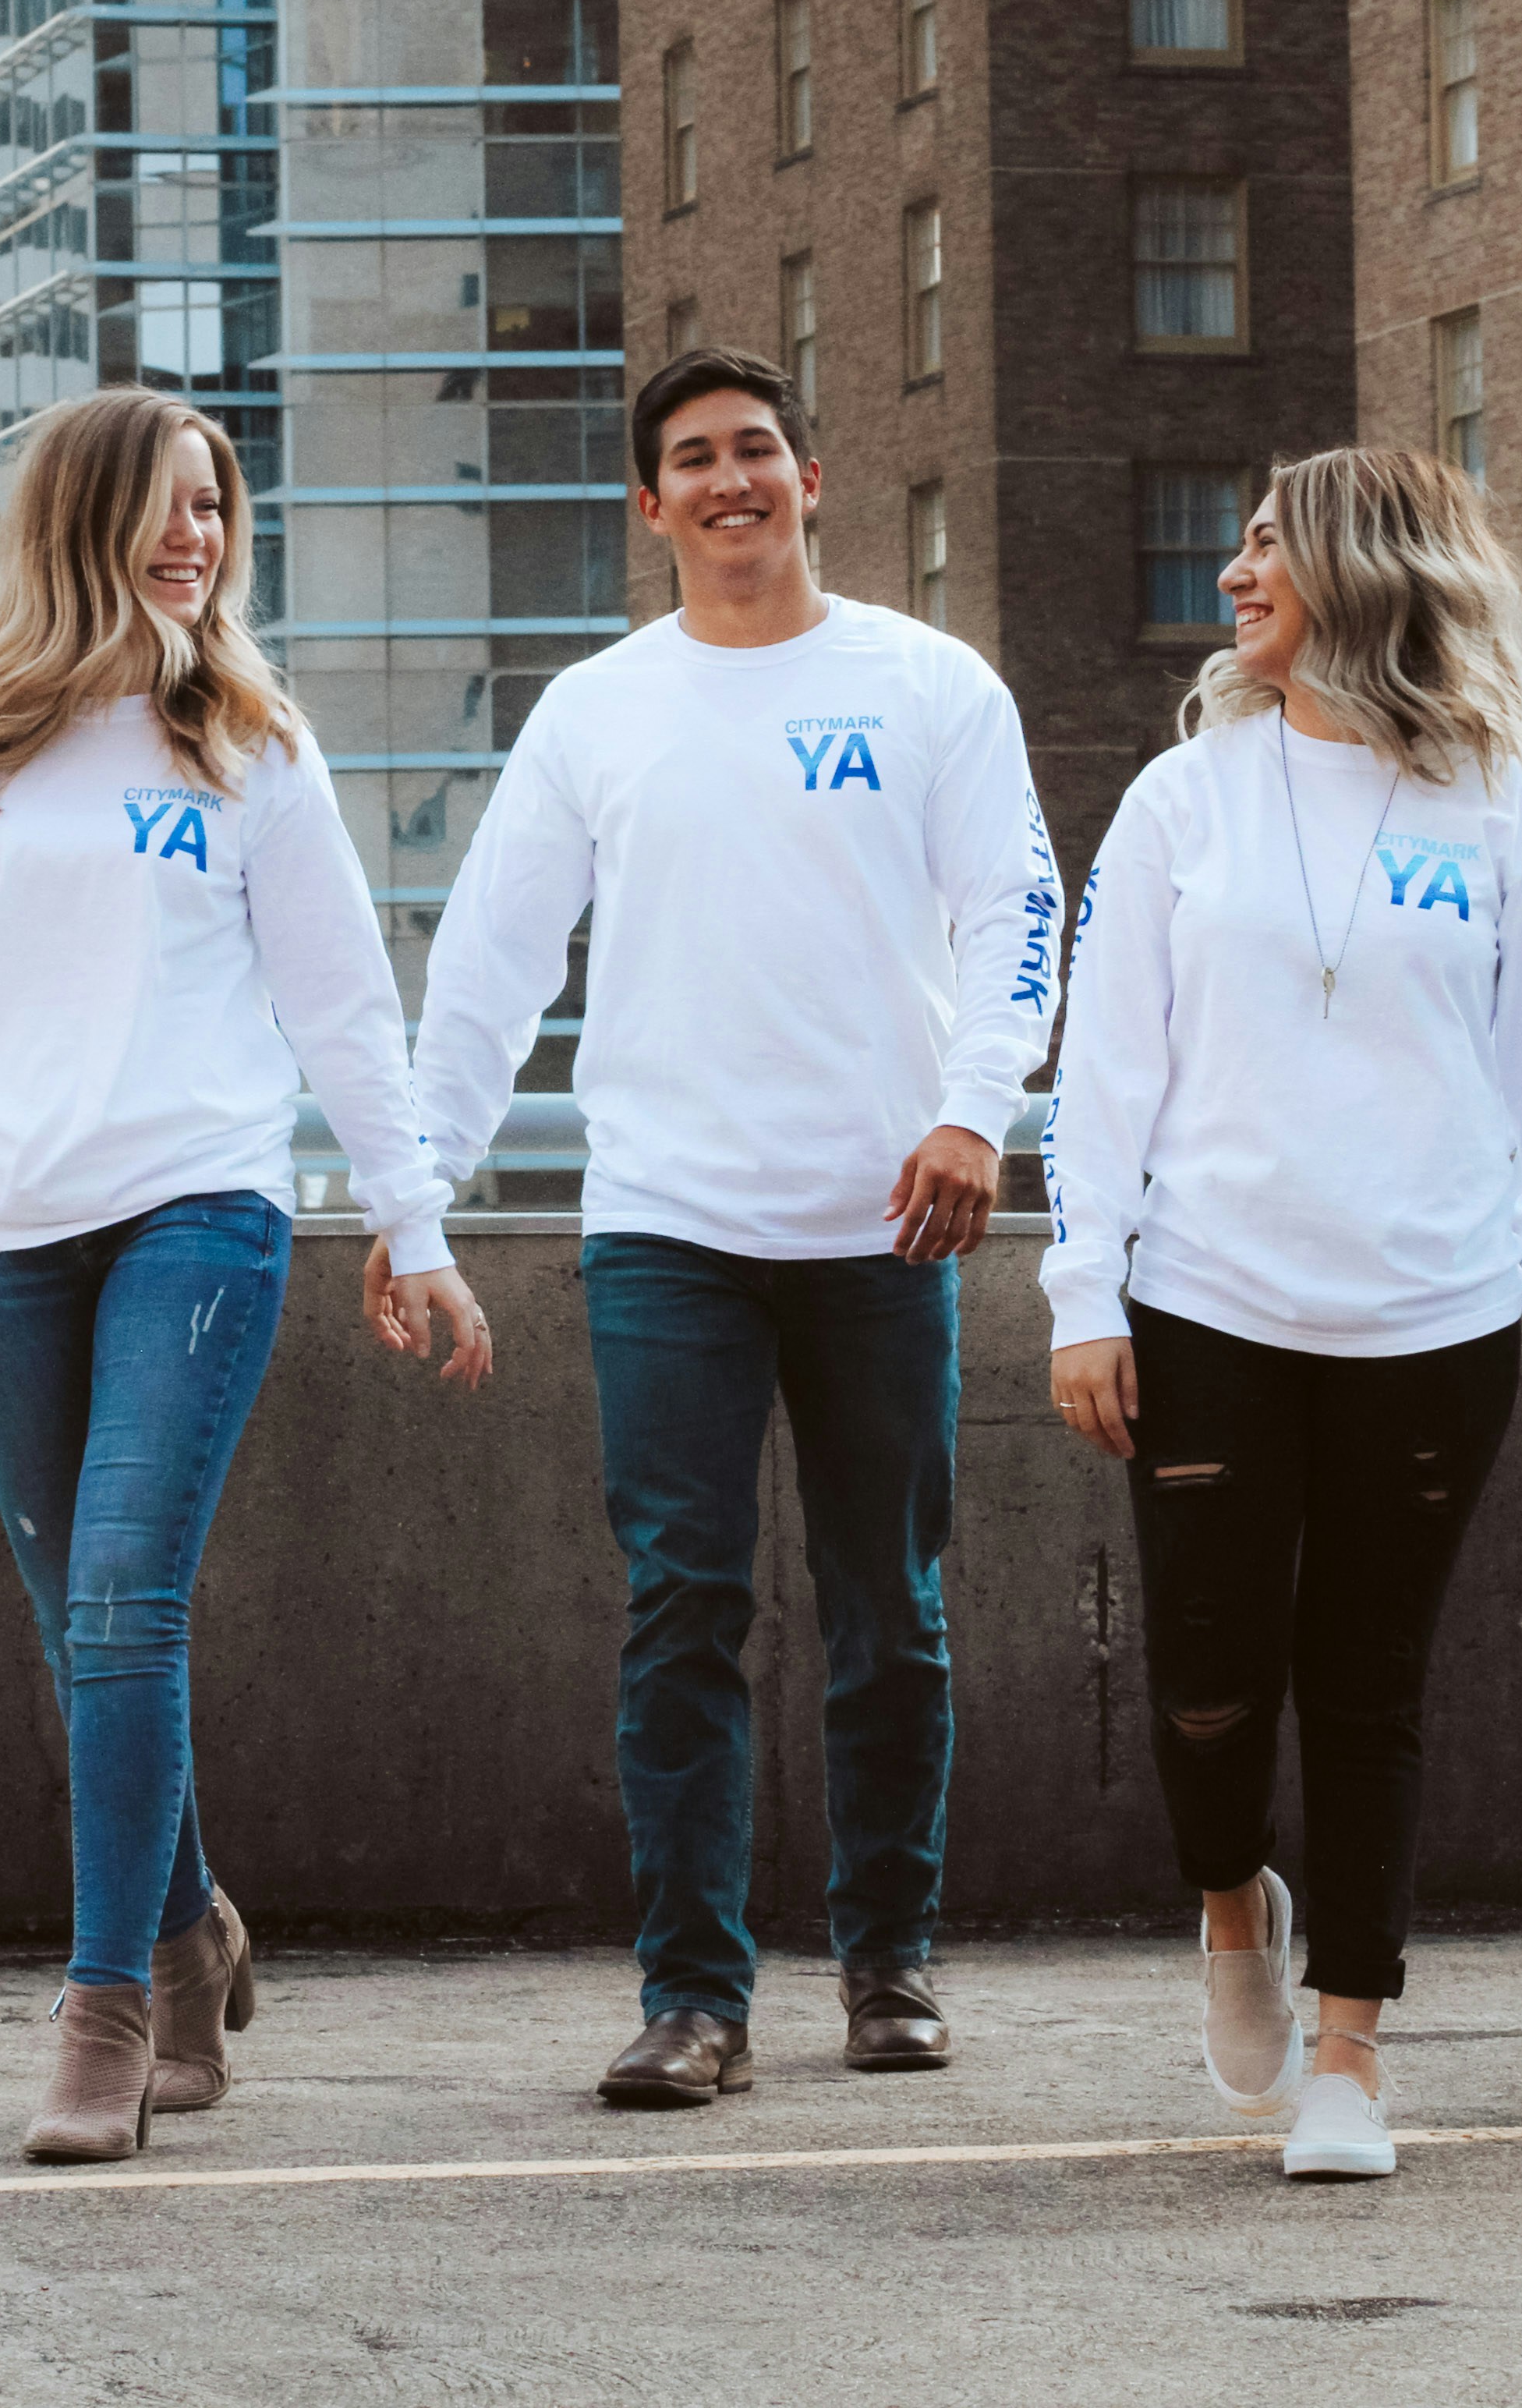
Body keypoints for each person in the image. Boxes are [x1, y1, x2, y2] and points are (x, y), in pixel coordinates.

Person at [0, 388, 489, 2166]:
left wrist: (413, 1228)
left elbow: (345, 1004)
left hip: (203, 1209)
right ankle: (193, 1943)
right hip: (4, 1235)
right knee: (82, 1624)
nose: (198, 535)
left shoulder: (252, 746)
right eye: (166, 505)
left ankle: (99, 2012)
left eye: (217, 507)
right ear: (79, 521)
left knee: (120, 1599)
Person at [395, 345, 1063, 2106]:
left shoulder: (929, 684)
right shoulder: (600, 709)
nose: (730, 481)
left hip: (886, 1222)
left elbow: (1017, 905)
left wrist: (976, 1105)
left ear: (813, 477)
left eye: (758, 449)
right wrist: (415, 1200)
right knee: (681, 1609)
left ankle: (890, 1966)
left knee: (889, 1613)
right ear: (649, 503)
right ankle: (694, 1998)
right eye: (693, 459)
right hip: (668, 1226)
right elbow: (489, 965)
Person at [1040, 446, 1522, 2182]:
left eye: (1268, 545)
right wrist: (1087, 1293)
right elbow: (1104, 1073)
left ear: (1364, 570)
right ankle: (1236, 1906)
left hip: (1436, 1318)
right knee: (1210, 1686)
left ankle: (1355, 2059)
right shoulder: (1186, 799)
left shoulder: (1506, 803)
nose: (1236, 575)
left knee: (1370, 1690)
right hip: (1207, 1301)